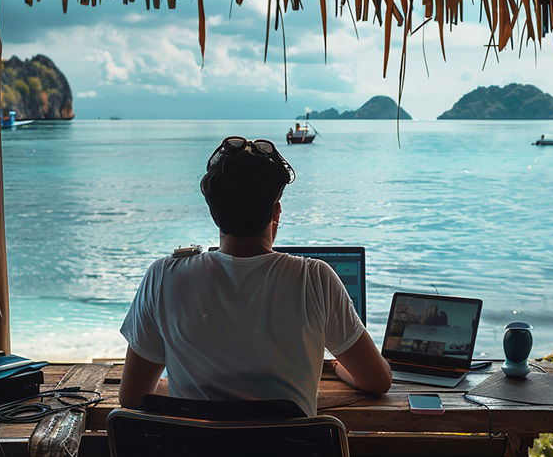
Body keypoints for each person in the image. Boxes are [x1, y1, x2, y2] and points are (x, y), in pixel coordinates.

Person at [118, 136, 391, 415]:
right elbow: (377, 380)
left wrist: (185, 395)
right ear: (276, 212)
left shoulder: (164, 276)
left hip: (194, 456)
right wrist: (336, 366)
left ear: (214, 213)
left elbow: (133, 395)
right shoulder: (315, 278)